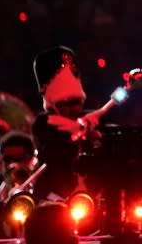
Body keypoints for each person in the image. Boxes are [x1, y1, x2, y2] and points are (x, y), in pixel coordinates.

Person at [30, 46, 100, 202]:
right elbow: (53, 154)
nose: (73, 109)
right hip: (54, 199)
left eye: (77, 101)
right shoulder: (43, 124)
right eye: (65, 103)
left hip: (90, 200)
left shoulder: (92, 119)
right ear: (51, 103)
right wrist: (80, 133)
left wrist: (98, 137)